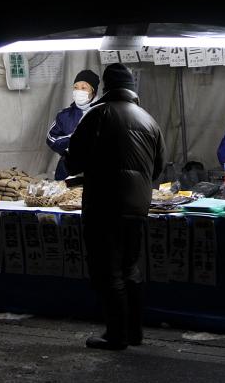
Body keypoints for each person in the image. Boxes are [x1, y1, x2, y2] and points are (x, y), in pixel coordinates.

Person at [66, 63, 164, 350]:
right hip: (138, 206)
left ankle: (116, 335)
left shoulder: (98, 114)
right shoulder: (149, 120)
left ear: (106, 88)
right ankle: (134, 332)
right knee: (130, 267)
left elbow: (74, 160)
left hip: (104, 203)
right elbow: (157, 169)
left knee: (108, 271)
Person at [46, 69, 100, 180]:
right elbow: (51, 139)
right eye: (76, 87)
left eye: (84, 88)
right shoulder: (64, 115)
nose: (79, 91)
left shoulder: (104, 112)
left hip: (97, 172)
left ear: (93, 92)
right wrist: (72, 138)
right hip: (67, 172)